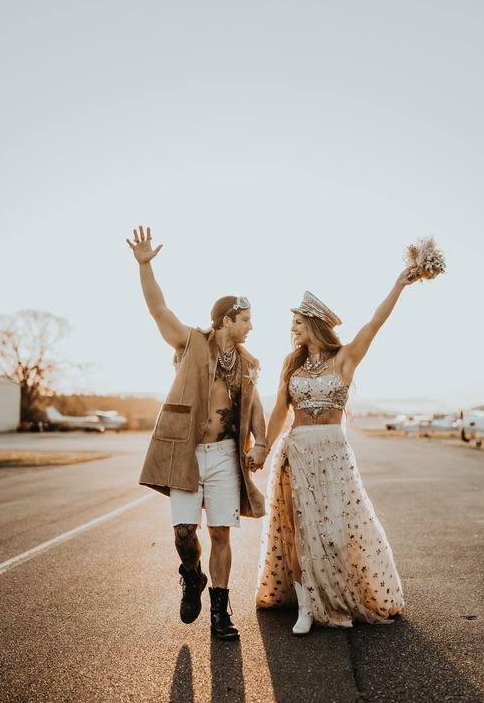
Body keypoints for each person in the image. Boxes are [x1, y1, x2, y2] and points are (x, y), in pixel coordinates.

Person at [254, 270, 417, 634]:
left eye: (297, 322)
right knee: (298, 530)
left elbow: (376, 322)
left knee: (334, 530)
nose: (292, 329)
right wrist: (264, 446)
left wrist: (398, 286)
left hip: (333, 453)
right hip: (296, 450)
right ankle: (307, 607)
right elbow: (280, 410)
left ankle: (336, 596)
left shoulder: (344, 358)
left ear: (314, 324)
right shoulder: (290, 363)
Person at [126, 225, 269, 641]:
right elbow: (159, 310)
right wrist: (145, 267)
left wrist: (260, 442)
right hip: (187, 454)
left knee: (221, 533)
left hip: (225, 455)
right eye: (245, 320)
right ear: (227, 320)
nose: (250, 327)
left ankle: (221, 615)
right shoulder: (191, 343)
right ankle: (192, 577)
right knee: (185, 535)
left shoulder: (247, 364)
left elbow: (254, 406)